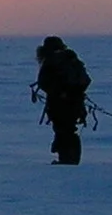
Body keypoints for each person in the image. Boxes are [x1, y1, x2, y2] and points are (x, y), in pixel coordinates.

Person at [31, 36, 92, 165]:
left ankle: (66, 160)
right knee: (70, 130)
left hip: (58, 103)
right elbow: (86, 80)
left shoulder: (51, 60)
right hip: (76, 102)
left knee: (62, 130)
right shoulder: (72, 59)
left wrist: (59, 93)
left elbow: (43, 82)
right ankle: (72, 159)